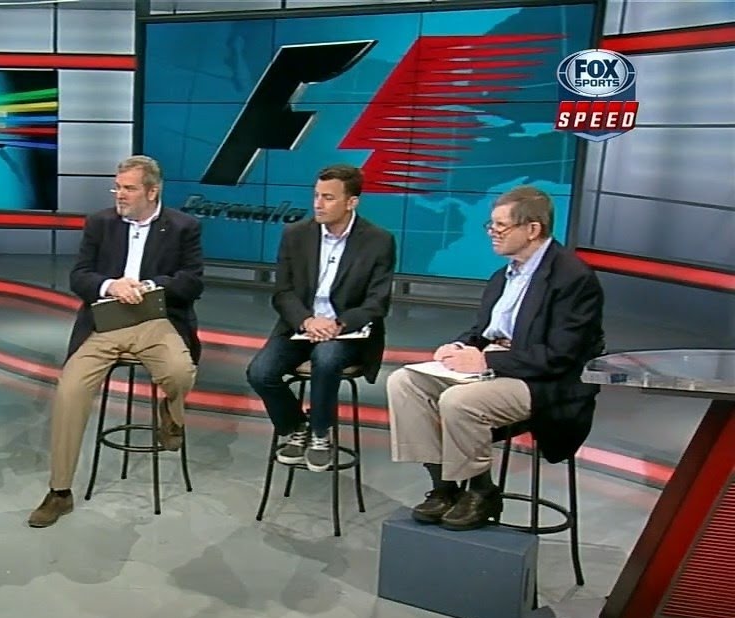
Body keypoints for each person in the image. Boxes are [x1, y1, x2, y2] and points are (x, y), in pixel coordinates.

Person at [386, 185, 605, 530]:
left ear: (532, 229)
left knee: (459, 402)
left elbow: (560, 356)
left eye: (500, 225)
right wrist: (458, 346)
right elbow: (483, 331)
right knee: (404, 382)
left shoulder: (573, 279)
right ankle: (444, 486)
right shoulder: (503, 276)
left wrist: (488, 361)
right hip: (498, 371)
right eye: (491, 224)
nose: (492, 232)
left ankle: (481, 491)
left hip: (544, 385)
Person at [28, 155, 203, 528]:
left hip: (156, 320)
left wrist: (150, 286)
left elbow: (192, 281)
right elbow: (79, 276)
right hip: (104, 323)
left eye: (128, 188)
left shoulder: (182, 227)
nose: (119, 194)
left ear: (152, 192)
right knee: (70, 391)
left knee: (179, 373)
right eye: (117, 187)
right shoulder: (100, 223)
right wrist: (110, 286)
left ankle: (170, 413)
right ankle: (60, 491)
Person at [246, 164, 396, 470]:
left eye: (328, 197)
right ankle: (296, 427)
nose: (318, 204)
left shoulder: (378, 240)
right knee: (260, 373)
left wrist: (338, 324)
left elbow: (377, 303)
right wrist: (307, 321)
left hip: (347, 331)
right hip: (301, 325)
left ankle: (320, 433)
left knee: (326, 359)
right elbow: (282, 292)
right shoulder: (296, 234)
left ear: (351, 202)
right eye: (316, 195)